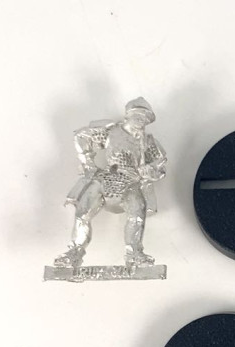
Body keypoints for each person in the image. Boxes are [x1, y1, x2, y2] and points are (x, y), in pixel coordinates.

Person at [54, 97, 166, 272]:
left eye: (145, 119)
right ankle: (74, 253)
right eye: (138, 116)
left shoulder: (148, 141)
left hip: (131, 181)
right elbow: (81, 136)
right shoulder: (110, 131)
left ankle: (134, 254)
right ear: (128, 115)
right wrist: (87, 162)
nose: (141, 121)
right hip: (106, 178)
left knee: (137, 214)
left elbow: (160, 165)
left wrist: (150, 171)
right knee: (83, 212)